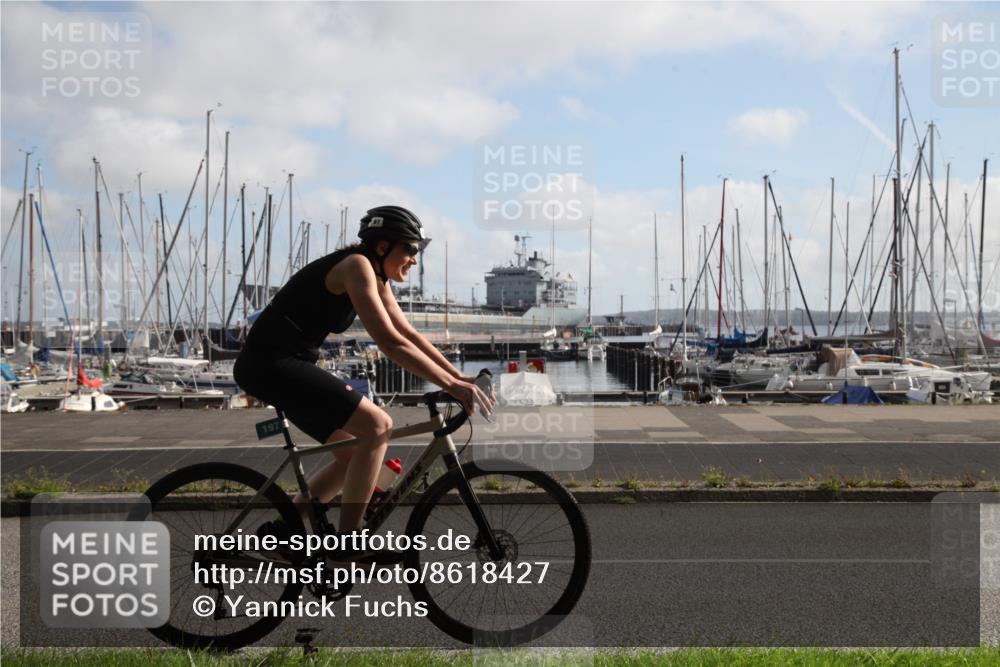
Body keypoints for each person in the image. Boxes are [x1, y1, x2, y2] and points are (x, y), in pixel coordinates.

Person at [233, 205, 494, 543]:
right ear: (382, 246)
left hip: (284, 364)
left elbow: (408, 335)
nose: (415, 258)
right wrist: (453, 386)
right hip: (270, 364)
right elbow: (388, 342)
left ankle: (284, 532)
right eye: (410, 249)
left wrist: (461, 379)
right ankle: (349, 540)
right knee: (378, 425)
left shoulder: (374, 274)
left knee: (355, 455)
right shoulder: (356, 267)